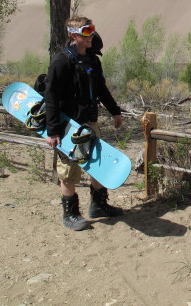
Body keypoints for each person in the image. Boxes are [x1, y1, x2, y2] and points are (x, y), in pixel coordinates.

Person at [44, 16, 124, 231]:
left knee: (98, 164)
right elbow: (50, 96)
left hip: (90, 121)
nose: (91, 36)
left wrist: (115, 111)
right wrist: (53, 131)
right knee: (69, 170)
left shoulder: (92, 60)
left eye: (92, 31)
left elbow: (101, 89)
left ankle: (98, 205)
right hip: (68, 125)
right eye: (86, 32)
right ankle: (70, 214)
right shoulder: (61, 61)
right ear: (73, 35)